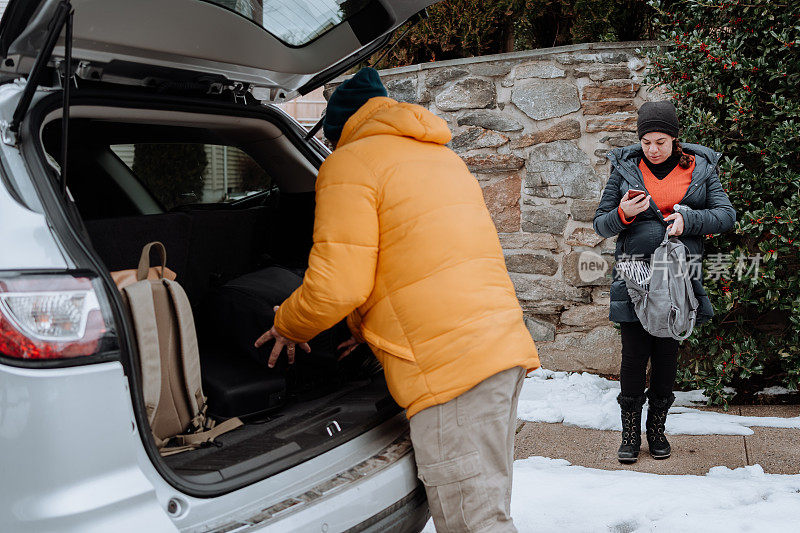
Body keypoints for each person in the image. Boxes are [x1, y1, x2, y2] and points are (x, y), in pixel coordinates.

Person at [254, 67, 540, 532]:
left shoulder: (349, 165)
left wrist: (288, 324)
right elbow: (417, 261)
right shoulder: (440, 156)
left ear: (338, 128)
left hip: (449, 372)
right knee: (486, 509)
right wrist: (366, 330)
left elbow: (337, 285)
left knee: (475, 522)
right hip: (496, 351)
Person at [593, 101, 736, 464]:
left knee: (667, 353)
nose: (653, 150)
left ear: (675, 139)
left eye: (660, 142)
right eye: (646, 143)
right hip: (634, 273)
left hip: (679, 276)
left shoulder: (700, 168)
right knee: (633, 354)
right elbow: (601, 224)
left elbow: (725, 215)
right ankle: (629, 434)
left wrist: (689, 221)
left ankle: (656, 430)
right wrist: (624, 213)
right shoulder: (625, 168)